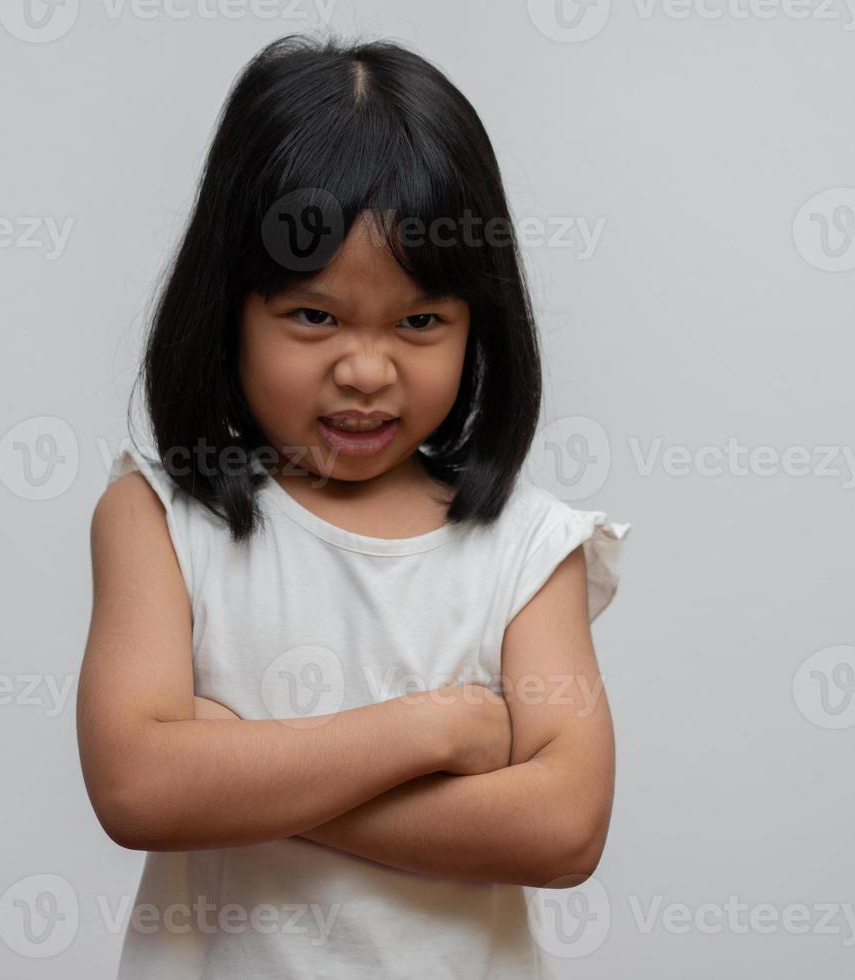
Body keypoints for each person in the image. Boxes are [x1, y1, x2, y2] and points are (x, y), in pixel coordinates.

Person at [77, 31, 631, 979]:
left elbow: (565, 827)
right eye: (314, 316)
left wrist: (238, 766)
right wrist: (441, 730)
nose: (367, 369)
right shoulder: (158, 522)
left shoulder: (529, 548)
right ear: (229, 310)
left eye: (420, 322)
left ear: (477, 321)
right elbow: (137, 786)